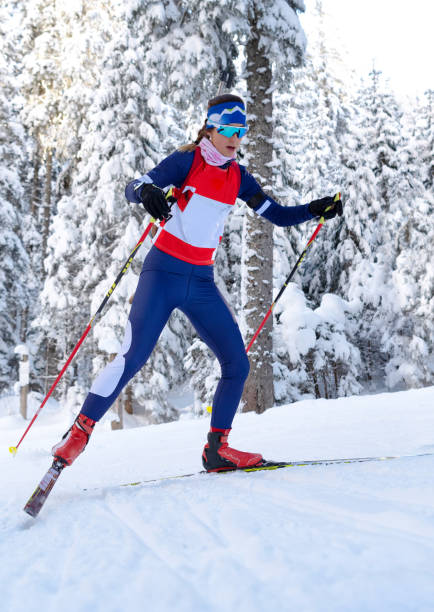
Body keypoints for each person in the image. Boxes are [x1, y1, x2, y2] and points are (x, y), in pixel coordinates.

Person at [51, 93, 342, 472]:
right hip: (163, 273)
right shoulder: (187, 161)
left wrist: (314, 209)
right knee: (133, 356)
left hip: (201, 281)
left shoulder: (239, 177)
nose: (237, 138)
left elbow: (278, 215)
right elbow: (135, 185)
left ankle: (218, 449)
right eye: (230, 130)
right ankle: (78, 434)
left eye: (243, 131)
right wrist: (147, 192)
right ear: (211, 128)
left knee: (237, 364)